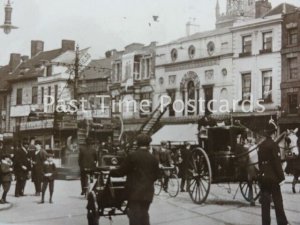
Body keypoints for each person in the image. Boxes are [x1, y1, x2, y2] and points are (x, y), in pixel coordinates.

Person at [110, 134, 160, 225]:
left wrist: (111, 172)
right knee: (144, 214)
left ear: (137, 143)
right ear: (148, 144)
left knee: (135, 217)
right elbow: (157, 176)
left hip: (134, 192)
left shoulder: (132, 156)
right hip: (148, 192)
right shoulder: (154, 158)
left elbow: (122, 171)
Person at [258, 121, 290, 225]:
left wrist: (261, 175)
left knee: (265, 205)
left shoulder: (261, 145)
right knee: (278, 202)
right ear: (273, 133)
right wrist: (282, 178)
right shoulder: (274, 145)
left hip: (264, 178)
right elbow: (276, 163)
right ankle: (282, 223)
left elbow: (260, 164)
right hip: (273, 178)